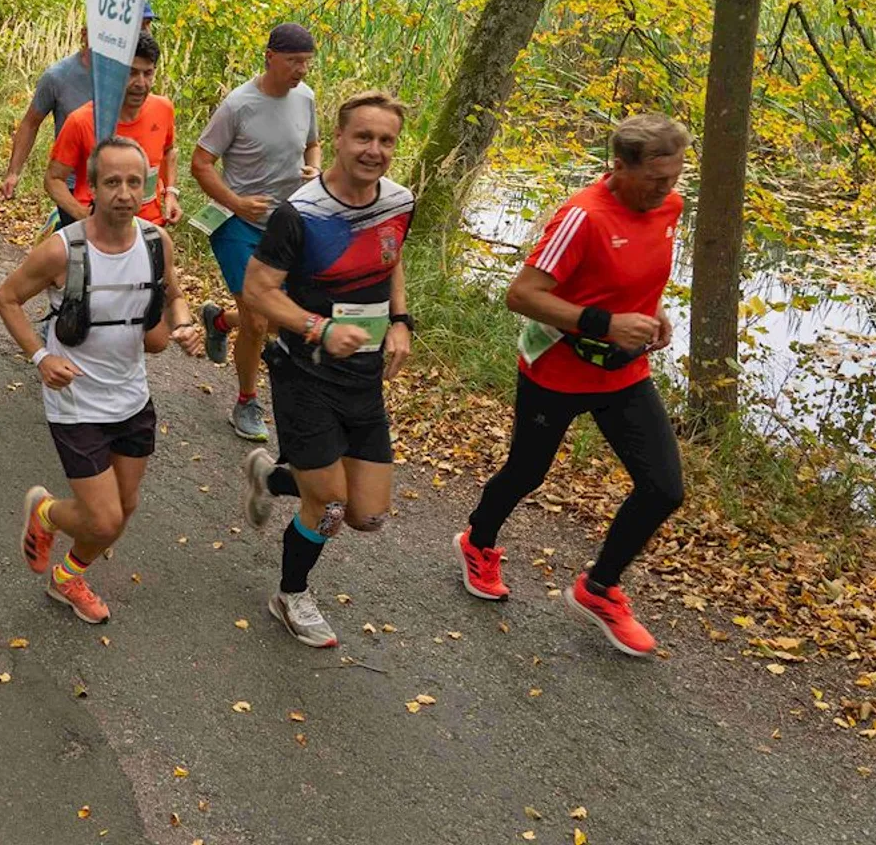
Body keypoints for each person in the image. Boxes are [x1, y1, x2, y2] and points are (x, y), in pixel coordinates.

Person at [457, 115, 688, 658]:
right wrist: (605, 323)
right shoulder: (583, 217)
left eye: (675, 177)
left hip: (623, 373)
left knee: (663, 488)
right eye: (656, 178)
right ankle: (478, 541)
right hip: (557, 372)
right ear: (620, 166)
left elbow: (639, 271)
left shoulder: (669, 207)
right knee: (527, 472)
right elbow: (522, 295)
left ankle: (599, 588)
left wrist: (652, 310)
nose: (666, 189)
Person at [236, 91, 415, 650]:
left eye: (386, 140)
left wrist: (402, 321)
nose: (374, 150)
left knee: (368, 516)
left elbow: (391, 259)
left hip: (363, 376)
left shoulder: (399, 201)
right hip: (304, 371)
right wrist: (319, 328)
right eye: (363, 137)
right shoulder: (300, 213)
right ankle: (291, 595)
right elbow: (258, 290)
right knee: (331, 505)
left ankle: (274, 478)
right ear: (337, 138)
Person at [0, 137, 203, 623]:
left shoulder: (156, 242)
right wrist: (41, 358)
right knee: (104, 519)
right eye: (112, 182)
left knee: (123, 509)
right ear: (91, 187)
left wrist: (185, 323)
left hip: (132, 396)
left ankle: (67, 576)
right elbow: (6, 299)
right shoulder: (62, 251)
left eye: (134, 182)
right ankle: (46, 513)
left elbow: (174, 296)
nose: (125, 194)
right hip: (76, 402)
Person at [193, 24, 322, 442]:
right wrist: (235, 202)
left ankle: (219, 322)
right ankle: (246, 402)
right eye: (294, 61)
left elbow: (313, 143)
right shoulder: (238, 105)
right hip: (237, 225)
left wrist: (315, 168)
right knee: (258, 319)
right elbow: (201, 163)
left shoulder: (306, 97)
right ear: (270, 57)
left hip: (285, 227)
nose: (301, 70)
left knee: (277, 319)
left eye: (306, 62)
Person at [45, 31, 179, 229]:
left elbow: (169, 152)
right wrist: (82, 215)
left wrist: (171, 193)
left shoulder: (163, 109)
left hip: (150, 226)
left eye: (148, 73)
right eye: (131, 73)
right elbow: (53, 179)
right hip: (100, 230)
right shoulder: (82, 120)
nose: (141, 83)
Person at [0, 35, 92, 201]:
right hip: (72, 184)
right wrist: (13, 173)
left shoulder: (126, 75)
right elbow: (30, 123)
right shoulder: (57, 76)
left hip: (117, 182)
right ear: (84, 34)